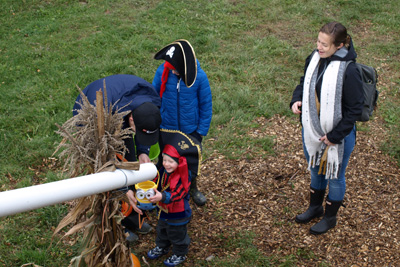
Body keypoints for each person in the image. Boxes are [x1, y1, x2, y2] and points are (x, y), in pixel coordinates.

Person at [290, 22, 364, 235]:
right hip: (313, 131)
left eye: (324, 44)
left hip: (338, 136)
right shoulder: (315, 59)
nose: (319, 47)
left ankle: (330, 218)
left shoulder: (349, 71)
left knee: (335, 175)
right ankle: (315, 207)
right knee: (315, 168)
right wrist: (296, 100)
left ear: (339, 45)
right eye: (318, 42)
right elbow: (304, 83)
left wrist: (334, 136)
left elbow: (354, 109)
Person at [73, 74, 162, 242]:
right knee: (106, 180)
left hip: (119, 109)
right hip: (96, 124)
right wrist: (121, 190)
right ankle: (115, 225)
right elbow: (104, 163)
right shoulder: (96, 112)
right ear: (130, 120)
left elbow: (143, 128)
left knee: (130, 160)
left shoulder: (150, 99)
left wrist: (143, 151)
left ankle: (133, 216)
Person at [152, 39, 212, 206]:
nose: (174, 72)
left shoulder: (199, 77)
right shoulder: (162, 72)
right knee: (165, 162)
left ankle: (192, 188)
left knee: (189, 163)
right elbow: (154, 96)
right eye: (172, 69)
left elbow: (206, 105)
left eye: (177, 70)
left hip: (190, 130)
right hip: (167, 128)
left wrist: (200, 131)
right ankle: (163, 189)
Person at [146, 144, 192, 266]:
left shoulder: (183, 175)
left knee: (177, 234)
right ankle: (162, 247)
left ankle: (180, 253)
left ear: (179, 162)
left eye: (171, 161)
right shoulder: (163, 171)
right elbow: (156, 180)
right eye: (164, 160)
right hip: (163, 210)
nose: (166, 164)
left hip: (178, 214)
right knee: (162, 230)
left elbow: (179, 193)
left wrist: (163, 196)